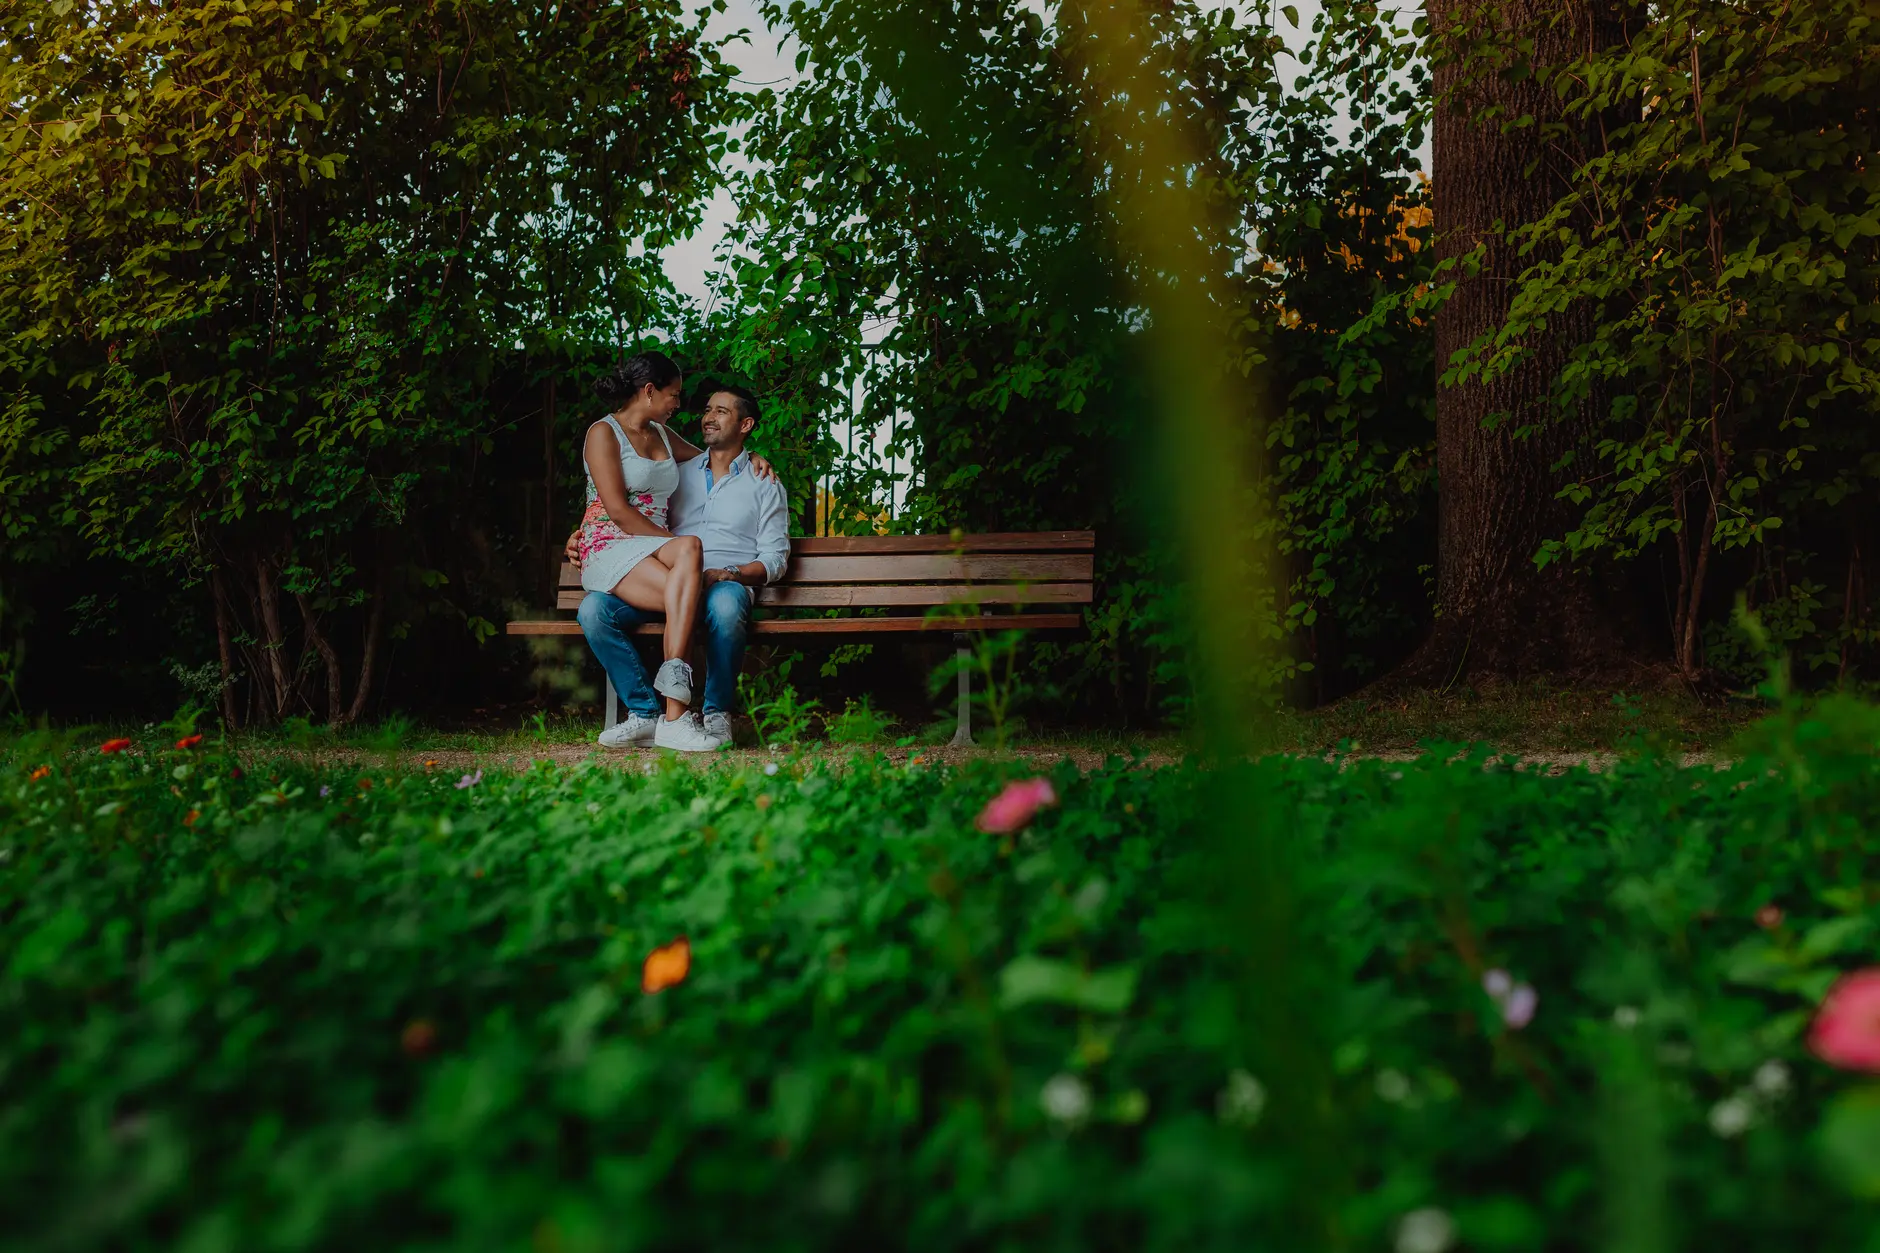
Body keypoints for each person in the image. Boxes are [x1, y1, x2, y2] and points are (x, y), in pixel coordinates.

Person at [573, 354, 774, 752]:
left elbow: (711, 456)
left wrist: (750, 455)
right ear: (649, 391)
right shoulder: (603, 433)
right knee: (689, 565)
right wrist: (669, 542)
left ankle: (662, 719)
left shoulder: (663, 436)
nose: (678, 405)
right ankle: (675, 716)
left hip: (651, 548)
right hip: (612, 542)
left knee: (688, 583)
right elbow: (616, 511)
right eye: (673, 395)